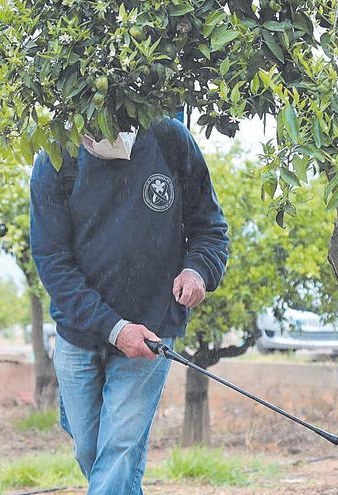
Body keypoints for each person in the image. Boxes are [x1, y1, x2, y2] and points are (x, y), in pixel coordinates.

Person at [29, 116, 229, 494]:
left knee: (119, 448)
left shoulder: (169, 140)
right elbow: (52, 261)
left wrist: (198, 272)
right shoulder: (56, 156)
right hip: (79, 332)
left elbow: (210, 229)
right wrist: (115, 329)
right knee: (93, 451)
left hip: (152, 329)